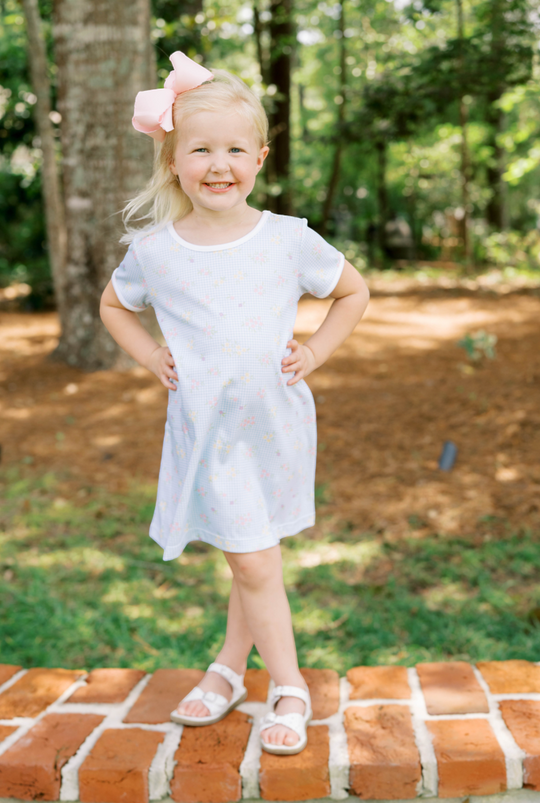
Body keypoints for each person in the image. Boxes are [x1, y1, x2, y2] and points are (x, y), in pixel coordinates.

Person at [99, 51, 369, 755]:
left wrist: (314, 351)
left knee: (253, 556)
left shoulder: (285, 239)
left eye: (234, 150)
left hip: (274, 426)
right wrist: (151, 354)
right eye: (200, 149)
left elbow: (354, 292)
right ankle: (257, 675)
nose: (218, 165)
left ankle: (258, 679)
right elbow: (113, 306)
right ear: (172, 160)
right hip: (205, 430)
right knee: (250, 556)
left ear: (260, 157)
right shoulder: (156, 251)